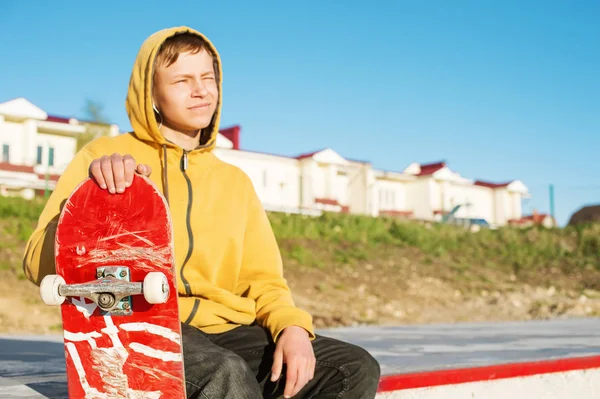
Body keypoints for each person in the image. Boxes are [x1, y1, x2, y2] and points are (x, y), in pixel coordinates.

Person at [23, 26, 381, 398]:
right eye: (182, 80)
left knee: (349, 368)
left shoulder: (234, 181)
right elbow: (37, 263)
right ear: (152, 95)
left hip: (227, 330)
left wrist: (292, 328)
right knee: (225, 373)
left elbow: (265, 281)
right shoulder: (104, 158)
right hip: (135, 322)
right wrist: (92, 202)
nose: (201, 90)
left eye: (208, 78)